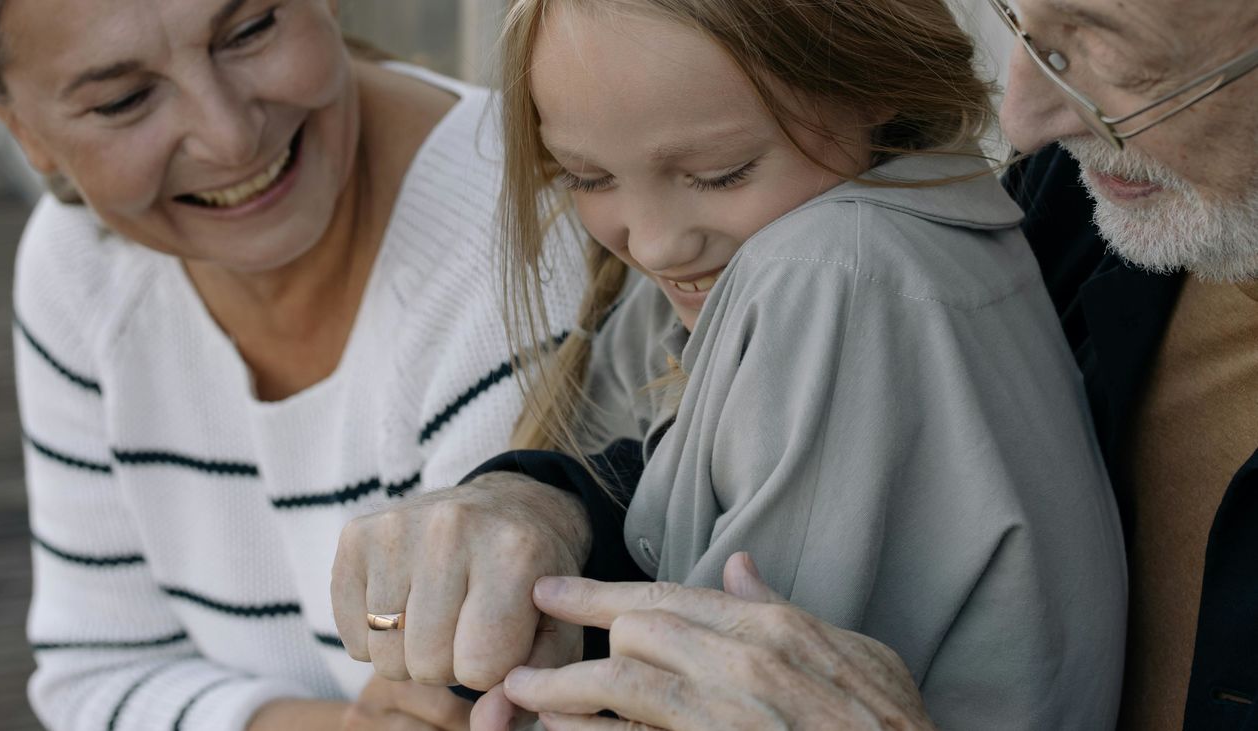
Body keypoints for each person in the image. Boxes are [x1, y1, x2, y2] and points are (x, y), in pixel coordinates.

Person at [461, 0, 1258, 729]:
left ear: (869, 79)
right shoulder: (1070, 209)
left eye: (721, 172)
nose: (1022, 122)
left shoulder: (829, 270)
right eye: (1026, 30)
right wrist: (546, 506)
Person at [0, 0, 585, 728]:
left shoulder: (531, 242)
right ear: (20, 128)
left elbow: (489, 708)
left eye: (250, 30)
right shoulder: (81, 263)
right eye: (125, 99)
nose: (229, 138)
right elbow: (96, 674)